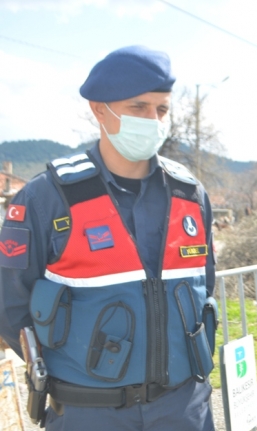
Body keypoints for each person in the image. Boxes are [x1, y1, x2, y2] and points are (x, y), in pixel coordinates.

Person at [0, 46, 217, 430]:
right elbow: (11, 302)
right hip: (89, 412)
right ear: (99, 109)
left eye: (161, 109)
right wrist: (71, 371)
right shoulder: (48, 197)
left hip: (184, 408)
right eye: (138, 108)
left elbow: (205, 286)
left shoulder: (190, 193)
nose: (153, 120)